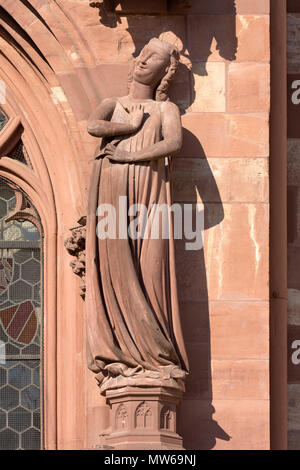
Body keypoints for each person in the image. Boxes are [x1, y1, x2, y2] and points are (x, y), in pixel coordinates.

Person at [86, 38, 189, 393]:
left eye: (155, 59)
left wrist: (131, 155)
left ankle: (153, 354)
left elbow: (174, 143)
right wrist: (127, 129)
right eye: (143, 55)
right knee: (116, 261)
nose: (145, 61)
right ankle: (123, 352)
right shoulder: (114, 104)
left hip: (149, 192)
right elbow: (93, 126)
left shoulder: (165, 110)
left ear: (164, 73)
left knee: (150, 266)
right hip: (112, 189)